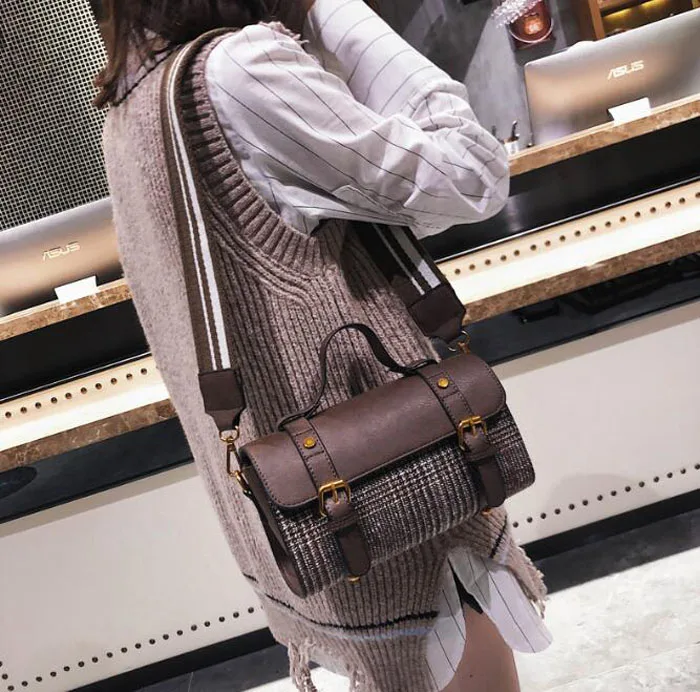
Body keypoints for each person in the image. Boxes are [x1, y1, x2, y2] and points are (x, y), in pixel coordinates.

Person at [96, 0, 551, 689]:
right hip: (393, 484)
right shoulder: (241, 68)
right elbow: (472, 173)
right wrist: (331, 8)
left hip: (314, 502)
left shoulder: (133, 107)